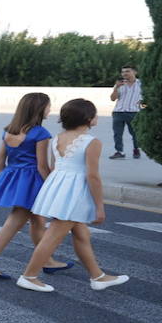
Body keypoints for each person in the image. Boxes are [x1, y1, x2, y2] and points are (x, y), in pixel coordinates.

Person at [17, 99, 128, 292]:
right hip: (75, 191)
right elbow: (92, 176)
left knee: (81, 233)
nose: (96, 117)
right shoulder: (92, 142)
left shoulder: (57, 138)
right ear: (88, 118)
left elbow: (53, 168)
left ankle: (98, 276)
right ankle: (29, 276)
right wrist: (99, 206)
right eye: (94, 114)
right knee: (53, 235)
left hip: (58, 186)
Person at [0, 93, 70, 279]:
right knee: (14, 223)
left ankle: (48, 261)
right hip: (33, 180)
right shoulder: (40, 133)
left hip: (16, 177)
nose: (50, 110)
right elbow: (42, 166)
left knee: (37, 221)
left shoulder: (8, 131)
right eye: (48, 106)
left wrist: (10, 179)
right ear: (39, 109)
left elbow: (0, 161)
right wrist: (52, 186)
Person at [108, 65, 142, 159]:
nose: (124, 74)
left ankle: (136, 149)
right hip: (118, 112)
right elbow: (112, 98)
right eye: (123, 72)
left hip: (134, 112)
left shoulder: (142, 84)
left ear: (135, 72)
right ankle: (119, 151)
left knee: (135, 133)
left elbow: (147, 98)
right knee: (117, 133)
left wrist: (144, 108)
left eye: (127, 71)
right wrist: (116, 88)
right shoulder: (119, 84)